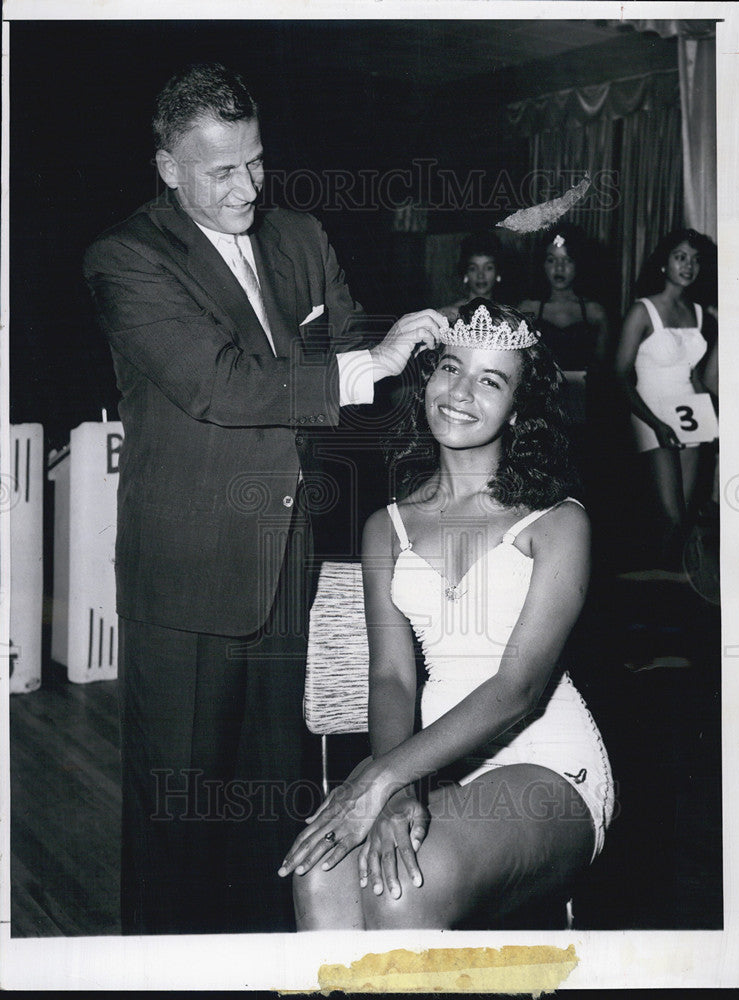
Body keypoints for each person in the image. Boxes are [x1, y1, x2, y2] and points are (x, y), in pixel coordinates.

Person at [83, 61, 444, 936]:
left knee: (274, 804)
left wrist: (436, 358)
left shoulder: (300, 235)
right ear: (169, 166)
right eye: (220, 171)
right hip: (189, 573)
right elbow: (221, 384)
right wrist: (369, 363)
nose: (247, 187)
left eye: (255, 162)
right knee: (181, 817)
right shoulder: (127, 257)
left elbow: (358, 346)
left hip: (283, 561)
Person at [279, 298, 614, 930]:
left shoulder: (560, 523)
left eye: (490, 380)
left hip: (544, 759)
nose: (459, 393)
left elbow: (519, 689)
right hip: (424, 759)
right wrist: (399, 786)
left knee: (401, 887)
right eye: (449, 367)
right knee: (318, 874)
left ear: (518, 407)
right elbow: (393, 679)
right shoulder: (387, 527)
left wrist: (382, 779)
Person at [615, 228, 716, 570]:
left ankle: (673, 592)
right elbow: (621, 375)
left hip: (691, 411)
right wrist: (655, 423)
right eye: (680, 257)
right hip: (650, 412)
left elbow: (697, 377)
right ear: (664, 263)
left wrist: (713, 424)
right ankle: (653, 596)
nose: (688, 266)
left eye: (695, 259)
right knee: (670, 517)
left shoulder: (701, 314)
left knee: (685, 518)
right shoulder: (643, 311)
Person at [518, 223, 609, 431]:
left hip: (585, 410)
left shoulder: (595, 313)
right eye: (551, 260)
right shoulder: (527, 309)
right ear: (542, 264)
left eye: (566, 260)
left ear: (579, 264)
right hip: (540, 408)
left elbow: (604, 371)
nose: (559, 268)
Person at [438, 232, 504, 324]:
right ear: (465, 273)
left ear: (498, 272)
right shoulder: (448, 315)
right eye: (473, 269)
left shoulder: (507, 315)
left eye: (488, 268)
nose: (480, 275)